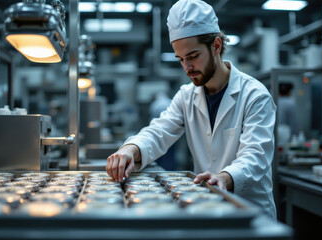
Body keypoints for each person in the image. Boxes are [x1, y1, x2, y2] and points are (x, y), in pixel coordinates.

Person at [106, 0, 277, 218]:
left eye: (193, 56)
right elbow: (159, 131)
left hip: (251, 212)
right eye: (180, 59)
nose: (187, 67)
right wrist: (130, 149)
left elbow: (256, 156)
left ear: (216, 46)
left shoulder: (255, 95)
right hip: (207, 208)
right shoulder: (187, 96)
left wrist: (225, 177)